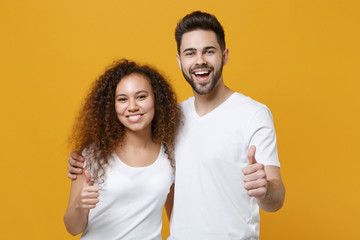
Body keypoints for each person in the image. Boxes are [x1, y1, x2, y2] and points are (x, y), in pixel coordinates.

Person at [67, 11, 285, 239]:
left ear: (225, 55)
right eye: (190, 53)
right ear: (180, 61)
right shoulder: (171, 118)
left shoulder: (253, 114)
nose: (199, 60)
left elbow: (276, 199)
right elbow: (130, 142)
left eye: (209, 51)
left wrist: (265, 189)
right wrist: (83, 159)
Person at [63, 59, 181, 239]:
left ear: (156, 100)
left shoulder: (170, 155)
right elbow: (73, 228)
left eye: (141, 96)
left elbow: (177, 220)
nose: (132, 106)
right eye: (122, 99)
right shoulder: (93, 153)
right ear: (112, 106)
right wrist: (80, 204)